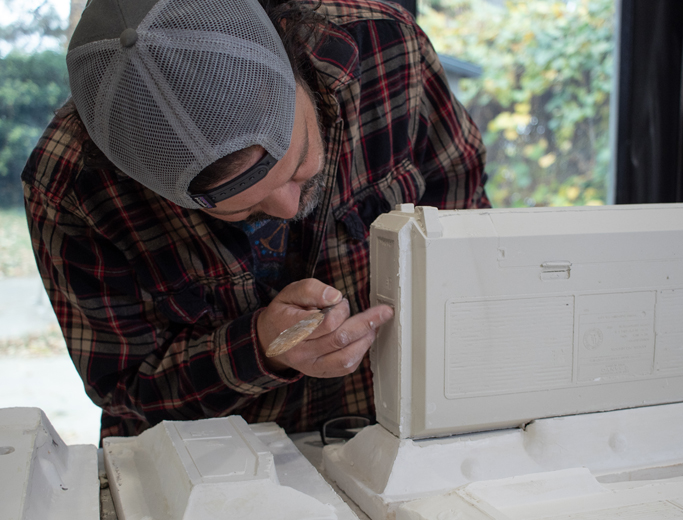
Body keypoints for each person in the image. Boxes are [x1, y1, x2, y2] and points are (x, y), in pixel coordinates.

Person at [22, 0, 490, 441]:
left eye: (301, 162)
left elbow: (468, 222)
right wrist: (262, 346)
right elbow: (125, 387)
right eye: (245, 210)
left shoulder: (386, 46)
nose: (288, 208)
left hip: (394, 432)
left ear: (293, 54)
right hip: (213, 472)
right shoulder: (70, 184)